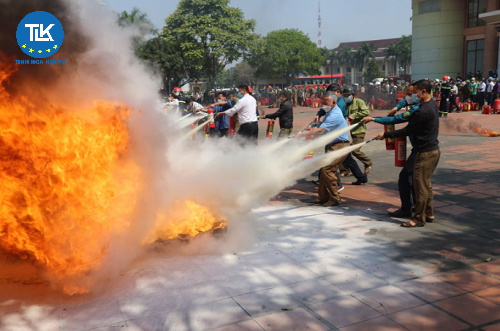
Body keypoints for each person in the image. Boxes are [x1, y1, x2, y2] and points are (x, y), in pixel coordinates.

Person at [375, 79, 440, 228]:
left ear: (423, 91)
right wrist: (397, 107)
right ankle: (428, 213)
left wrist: (385, 135)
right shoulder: (431, 104)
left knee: (420, 186)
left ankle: (418, 218)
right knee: (426, 184)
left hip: (424, 153)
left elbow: (406, 130)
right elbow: (405, 103)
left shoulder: (421, 111)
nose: (413, 95)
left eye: (415, 92)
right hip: (432, 149)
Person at [362, 83, 419, 218]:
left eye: (411, 94)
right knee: (414, 179)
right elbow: (405, 101)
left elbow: (395, 119)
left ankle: (409, 209)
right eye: (407, 93)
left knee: (405, 178)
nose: (407, 97)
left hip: (420, 149)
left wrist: (373, 119)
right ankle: (418, 207)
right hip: (421, 148)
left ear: (419, 93)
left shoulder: (414, 110)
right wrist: (396, 107)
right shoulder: (418, 103)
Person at [294, 92, 350, 206]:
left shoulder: (335, 114)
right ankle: (323, 197)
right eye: (322, 102)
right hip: (333, 144)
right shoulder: (330, 111)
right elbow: (321, 124)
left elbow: (319, 130)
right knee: (323, 169)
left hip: (340, 145)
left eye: (325, 103)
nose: (323, 105)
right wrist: (313, 126)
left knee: (327, 170)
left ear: (333, 102)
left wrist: (302, 134)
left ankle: (334, 199)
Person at [342, 87, 373, 177]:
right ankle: (345, 170)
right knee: (343, 150)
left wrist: (355, 115)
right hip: (348, 130)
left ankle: (368, 162)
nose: (346, 97)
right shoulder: (344, 104)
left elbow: (366, 112)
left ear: (353, 95)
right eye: (344, 96)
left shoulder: (359, 102)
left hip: (359, 130)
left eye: (348, 95)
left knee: (355, 150)